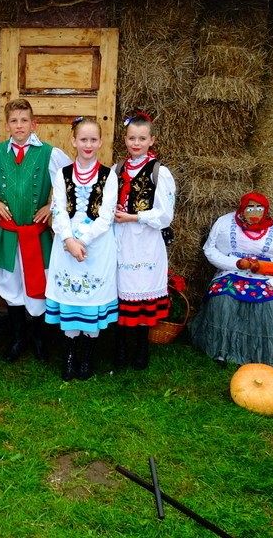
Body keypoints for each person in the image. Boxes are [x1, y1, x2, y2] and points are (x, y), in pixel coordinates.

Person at [0, 98, 70, 362]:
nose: (19, 125)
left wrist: (51, 206)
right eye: (14, 121)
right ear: (7, 125)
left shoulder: (49, 154)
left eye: (24, 120)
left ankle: (39, 338)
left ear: (34, 124)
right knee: (9, 284)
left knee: (39, 283)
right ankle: (17, 337)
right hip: (9, 234)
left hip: (36, 234)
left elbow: (70, 182)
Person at [190, 192, 273, 372]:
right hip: (232, 272)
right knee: (223, 299)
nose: (254, 212)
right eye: (250, 207)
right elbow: (210, 249)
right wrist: (235, 264)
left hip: (269, 276)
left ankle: (265, 356)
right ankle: (222, 351)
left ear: (266, 210)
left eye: (259, 208)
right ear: (242, 208)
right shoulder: (224, 223)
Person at [45, 118, 118, 380]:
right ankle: (68, 357)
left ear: (100, 142)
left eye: (93, 139)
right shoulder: (62, 174)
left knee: (91, 300)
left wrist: (83, 241)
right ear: (73, 141)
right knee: (70, 299)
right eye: (83, 139)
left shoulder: (109, 176)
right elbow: (58, 210)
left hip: (96, 245)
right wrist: (68, 240)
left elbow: (106, 216)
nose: (88, 144)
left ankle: (86, 358)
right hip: (66, 244)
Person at [112, 111, 176, 370]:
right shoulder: (117, 170)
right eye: (131, 138)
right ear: (125, 139)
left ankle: (140, 349)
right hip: (120, 239)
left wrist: (134, 217)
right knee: (121, 289)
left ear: (152, 140)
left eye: (141, 138)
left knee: (141, 292)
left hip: (145, 241)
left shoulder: (160, 172)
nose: (136, 143)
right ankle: (120, 348)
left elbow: (165, 215)